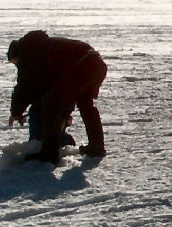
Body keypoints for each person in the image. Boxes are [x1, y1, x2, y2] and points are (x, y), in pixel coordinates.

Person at [6, 30, 107, 163]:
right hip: (97, 64)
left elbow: (25, 87)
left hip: (82, 66)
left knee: (52, 106)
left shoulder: (29, 55)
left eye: (15, 63)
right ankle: (97, 146)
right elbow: (43, 82)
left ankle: (49, 154)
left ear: (17, 56)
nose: (17, 67)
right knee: (86, 105)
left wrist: (16, 112)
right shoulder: (41, 47)